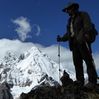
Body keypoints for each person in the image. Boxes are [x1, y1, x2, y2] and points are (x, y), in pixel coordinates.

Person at [57, 2, 97, 88]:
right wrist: (61, 38)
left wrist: (85, 35)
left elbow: (87, 25)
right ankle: (80, 81)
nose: (67, 11)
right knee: (77, 63)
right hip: (74, 44)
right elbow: (69, 34)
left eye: (68, 9)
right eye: (67, 10)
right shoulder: (70, 21)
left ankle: (92, 81)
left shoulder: (83, 15)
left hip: (83, 41)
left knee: (88, 60)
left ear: (73, 8)